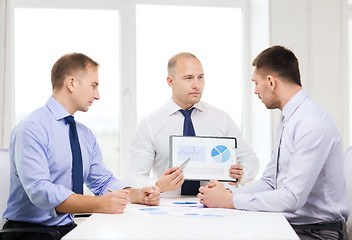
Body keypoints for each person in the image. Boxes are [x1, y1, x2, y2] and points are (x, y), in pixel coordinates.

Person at [2, 53, 160, 239]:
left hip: (67, 228)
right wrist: (98, 204)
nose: (97, 95)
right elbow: (40, 191)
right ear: (72, 84)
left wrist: (137, 194)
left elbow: (102, 181)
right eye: (93, 85)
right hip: (29, 233)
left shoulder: (84, 135)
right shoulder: (32, 128)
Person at [198, 45, 349, 239]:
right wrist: (226, 193)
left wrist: (230, 200)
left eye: (256, 83)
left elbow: (292, 198)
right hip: (294, 225)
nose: (255, 91)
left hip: (319, 233)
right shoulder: (289, 119)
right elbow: (271, 182)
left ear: (270, 82)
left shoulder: (312, 123)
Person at [127, 52, 259, 195]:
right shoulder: (150, 125)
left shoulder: (221, 119)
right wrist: (158, 185)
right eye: (188, 78)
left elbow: (250, 159)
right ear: (170, 81)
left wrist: (242, 174)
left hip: (218, 208)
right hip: (168, 210)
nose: (197, 85)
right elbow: (134, 177)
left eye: (200, 77)